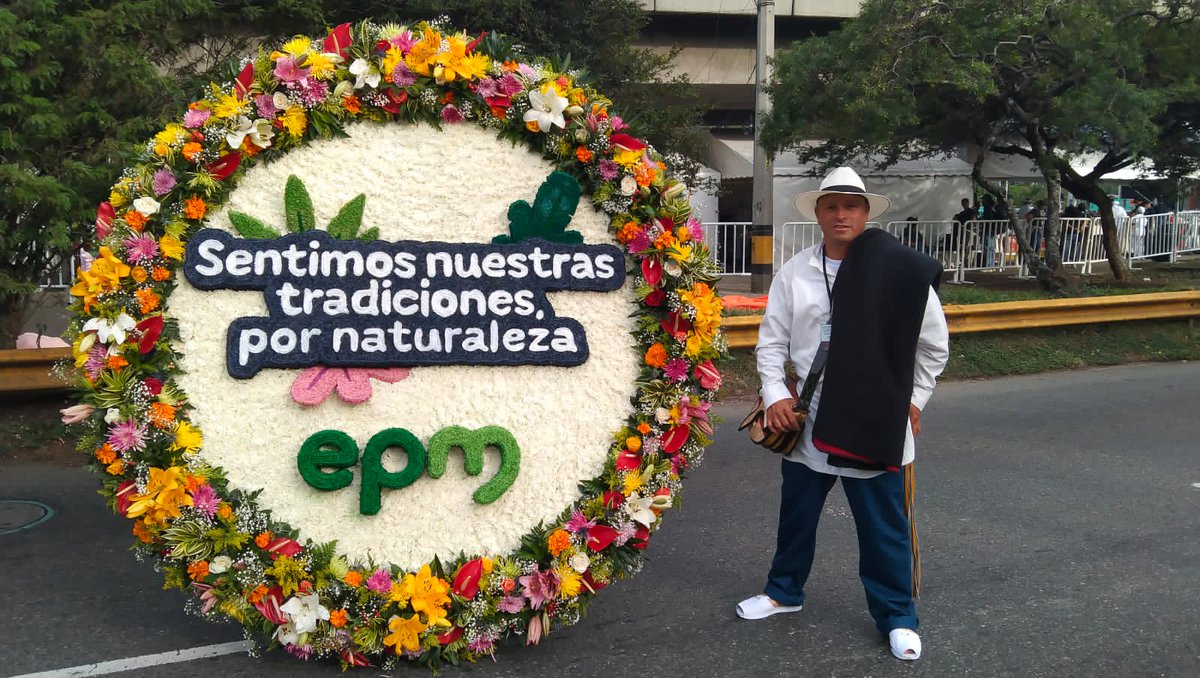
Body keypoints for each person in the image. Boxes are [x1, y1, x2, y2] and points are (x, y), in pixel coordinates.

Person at [736, 166, 950, 663]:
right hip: (808, 422)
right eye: (831, 205)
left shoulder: (901, 273)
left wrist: (913, 401)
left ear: (866, 213)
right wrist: (775, 395)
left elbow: (933, 348)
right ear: (817, 213)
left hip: (875, 422)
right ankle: (783, 592)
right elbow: (771, 343)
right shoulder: (796, 272)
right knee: (797, 517)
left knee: (884, 527)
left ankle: (897, 616)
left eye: (851, 205)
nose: (841, 214)